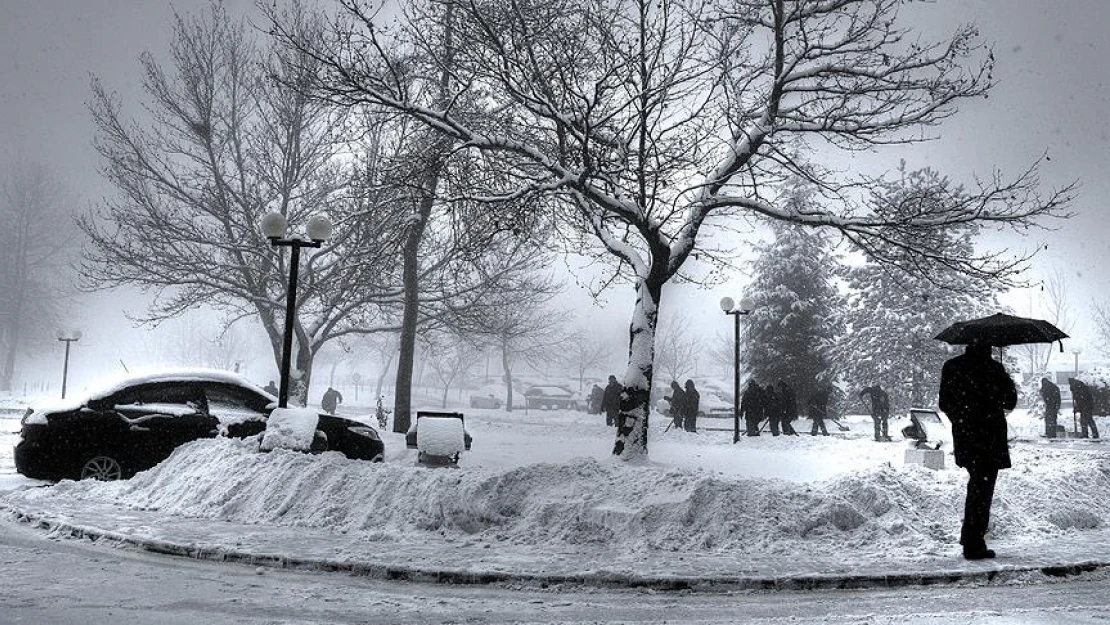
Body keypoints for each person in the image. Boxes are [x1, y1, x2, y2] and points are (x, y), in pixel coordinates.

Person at [939, 342, 1017, 560]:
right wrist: (1003, 379)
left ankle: (971, 538)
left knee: (977, 484)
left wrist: (962, 421)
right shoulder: (994, 369)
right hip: (990, 437)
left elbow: (945, 402)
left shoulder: (952, 367)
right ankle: (973, 542)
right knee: (982, 489)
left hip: (966, 437)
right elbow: (1010, 400)